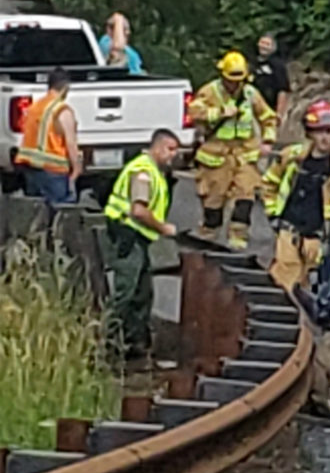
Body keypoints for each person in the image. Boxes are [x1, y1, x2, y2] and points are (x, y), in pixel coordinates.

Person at [263, 100, 330, 291]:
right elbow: (269, 183)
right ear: (309, 133)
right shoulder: (291, 157)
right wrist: (273, 214)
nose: (326, 138)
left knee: (313, 290)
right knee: (283, 283)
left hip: (318, 239)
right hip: (289, 233)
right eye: (320, 131)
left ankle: (304, 321)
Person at [103, 129, 180, 361]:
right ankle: (108, 343)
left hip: (138, 237)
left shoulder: (155, 172)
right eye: (170, 149)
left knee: (142, 292)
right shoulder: (143, 172)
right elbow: (139, 211)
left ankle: (135, 343)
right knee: (126, 292)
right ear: (156, 147)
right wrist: (163, 228)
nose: (173, 155)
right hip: (128, 234)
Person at [188, 51, 277, 249]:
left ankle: (238, 239)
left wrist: (268, 141)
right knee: (213, 199)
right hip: (216, 156)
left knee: (246, 196)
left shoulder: (250, 94)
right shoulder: (210, 91)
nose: (235, 85)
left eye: (239, 80)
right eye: (231, 80)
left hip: (244, 155)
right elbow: (193, 111)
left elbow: (268, 117)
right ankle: (208, 232)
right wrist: (218, 113)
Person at [14, 68, 81, 204]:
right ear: (66, 87)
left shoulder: (34, 107)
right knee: (59, 216)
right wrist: (77, 169)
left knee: (36, 216)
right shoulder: (62, 110)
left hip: (31, 169)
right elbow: (70, 144)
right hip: (54, 172)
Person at [252, 33, 291, 120]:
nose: (264, 46)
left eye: (267, 44)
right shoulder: (252, 63)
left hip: (269, 109)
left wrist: (279, 113)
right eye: (262, 43)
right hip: (251, 110)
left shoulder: (278, 65)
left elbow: (282, 90)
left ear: (273, 48)